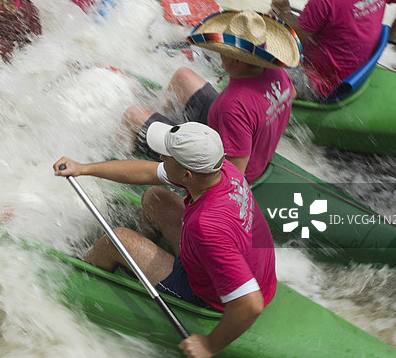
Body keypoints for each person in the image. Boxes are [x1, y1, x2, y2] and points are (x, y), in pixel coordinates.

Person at [54, 121, 277, 358]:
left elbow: (250, 304)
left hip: (215, 295)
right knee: (155, 197)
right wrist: (83, 168)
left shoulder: (206, 228)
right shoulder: (223, 170)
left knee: (115, 240)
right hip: (253, 269)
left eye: (166, 156)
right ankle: (136, 264)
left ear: (186, 175)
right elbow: (147, 172)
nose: (160, 156)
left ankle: (81, 279)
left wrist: (209, 345)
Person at [125, 10, 301, 182]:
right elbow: (290, 94)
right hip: (236, 138)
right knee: (183, 76)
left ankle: (127, 154)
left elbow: (233, 176)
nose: (219, 54)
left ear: (236, 60)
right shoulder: (277, 72)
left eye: (223, 50)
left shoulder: (232, 105)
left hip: (220, 167)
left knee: (132, 114)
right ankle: (159, 126)